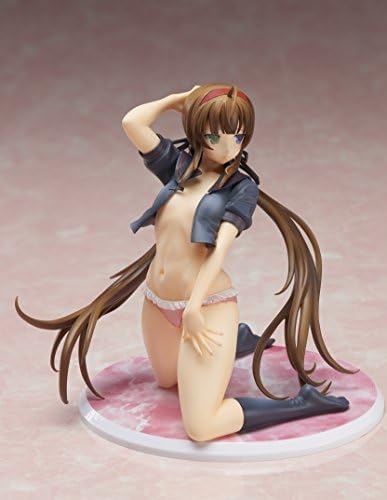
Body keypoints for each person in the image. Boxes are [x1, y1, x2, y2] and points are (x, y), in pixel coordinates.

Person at [15, 83, 358, 442]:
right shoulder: (177, 167)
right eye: (214, 136)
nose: (227, 147)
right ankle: (238, 341)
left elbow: (219, 250)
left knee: (202, 426)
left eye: (238, 137)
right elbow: (132, 122)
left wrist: (194, 307)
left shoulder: (241, 187)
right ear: (197, 132)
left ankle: (301, 403)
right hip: (157, 301)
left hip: (206, 306)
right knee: (166, 380)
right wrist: (177, 101)